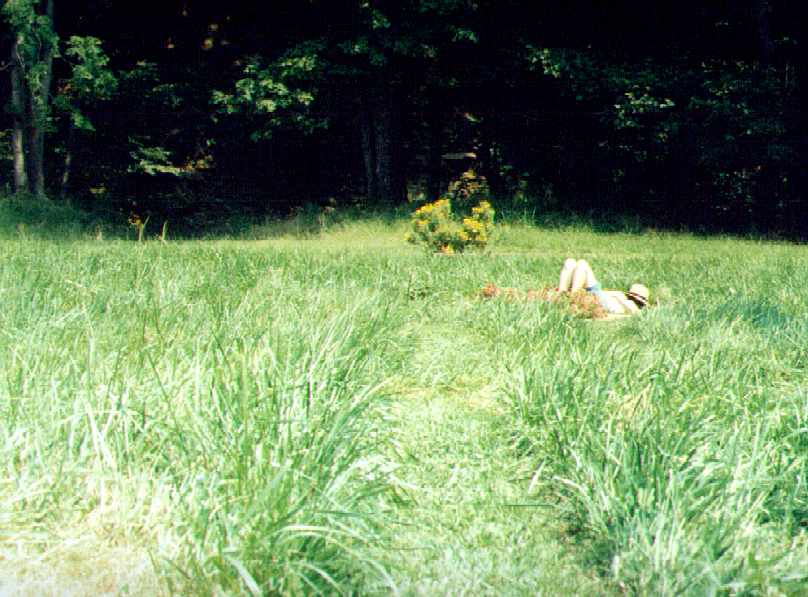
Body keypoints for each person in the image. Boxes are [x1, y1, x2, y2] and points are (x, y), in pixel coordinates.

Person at [558, 258, 649, 315]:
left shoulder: (633, 307)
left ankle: (573, 296)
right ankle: (561, 294)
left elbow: (632, 310)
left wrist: (617, 297)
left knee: (583, 264)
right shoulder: (624, 298)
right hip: (597, 294)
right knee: (570, 262)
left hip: (598, 297)